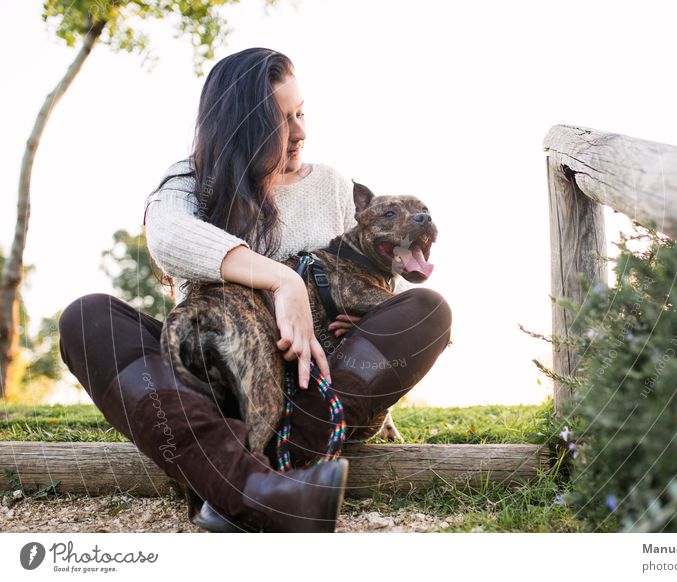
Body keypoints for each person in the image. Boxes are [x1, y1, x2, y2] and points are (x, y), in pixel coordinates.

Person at [58, 48, 452, 533]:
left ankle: (252, 477)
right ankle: (266, 488)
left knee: (426, 310)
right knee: (87, 317)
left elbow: (357, 272)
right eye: (283, 121)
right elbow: (169, 239)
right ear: (244, 130)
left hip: (309, 393)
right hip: (211, 385)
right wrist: (280, 278)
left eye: (301, 112)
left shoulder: (329, 184)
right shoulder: (190, 181)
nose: (302, 131)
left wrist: (364, 326)